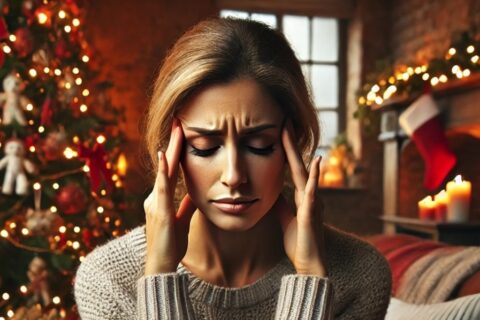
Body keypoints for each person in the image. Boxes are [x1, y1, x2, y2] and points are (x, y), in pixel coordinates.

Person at [74, 18, 391, 319]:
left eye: (259, 146)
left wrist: (311, 278)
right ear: (169, 150)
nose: (234, 176)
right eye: (205, 147)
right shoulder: (109, 280)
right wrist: (159, 276)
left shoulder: (359, 276)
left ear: (295, 142)